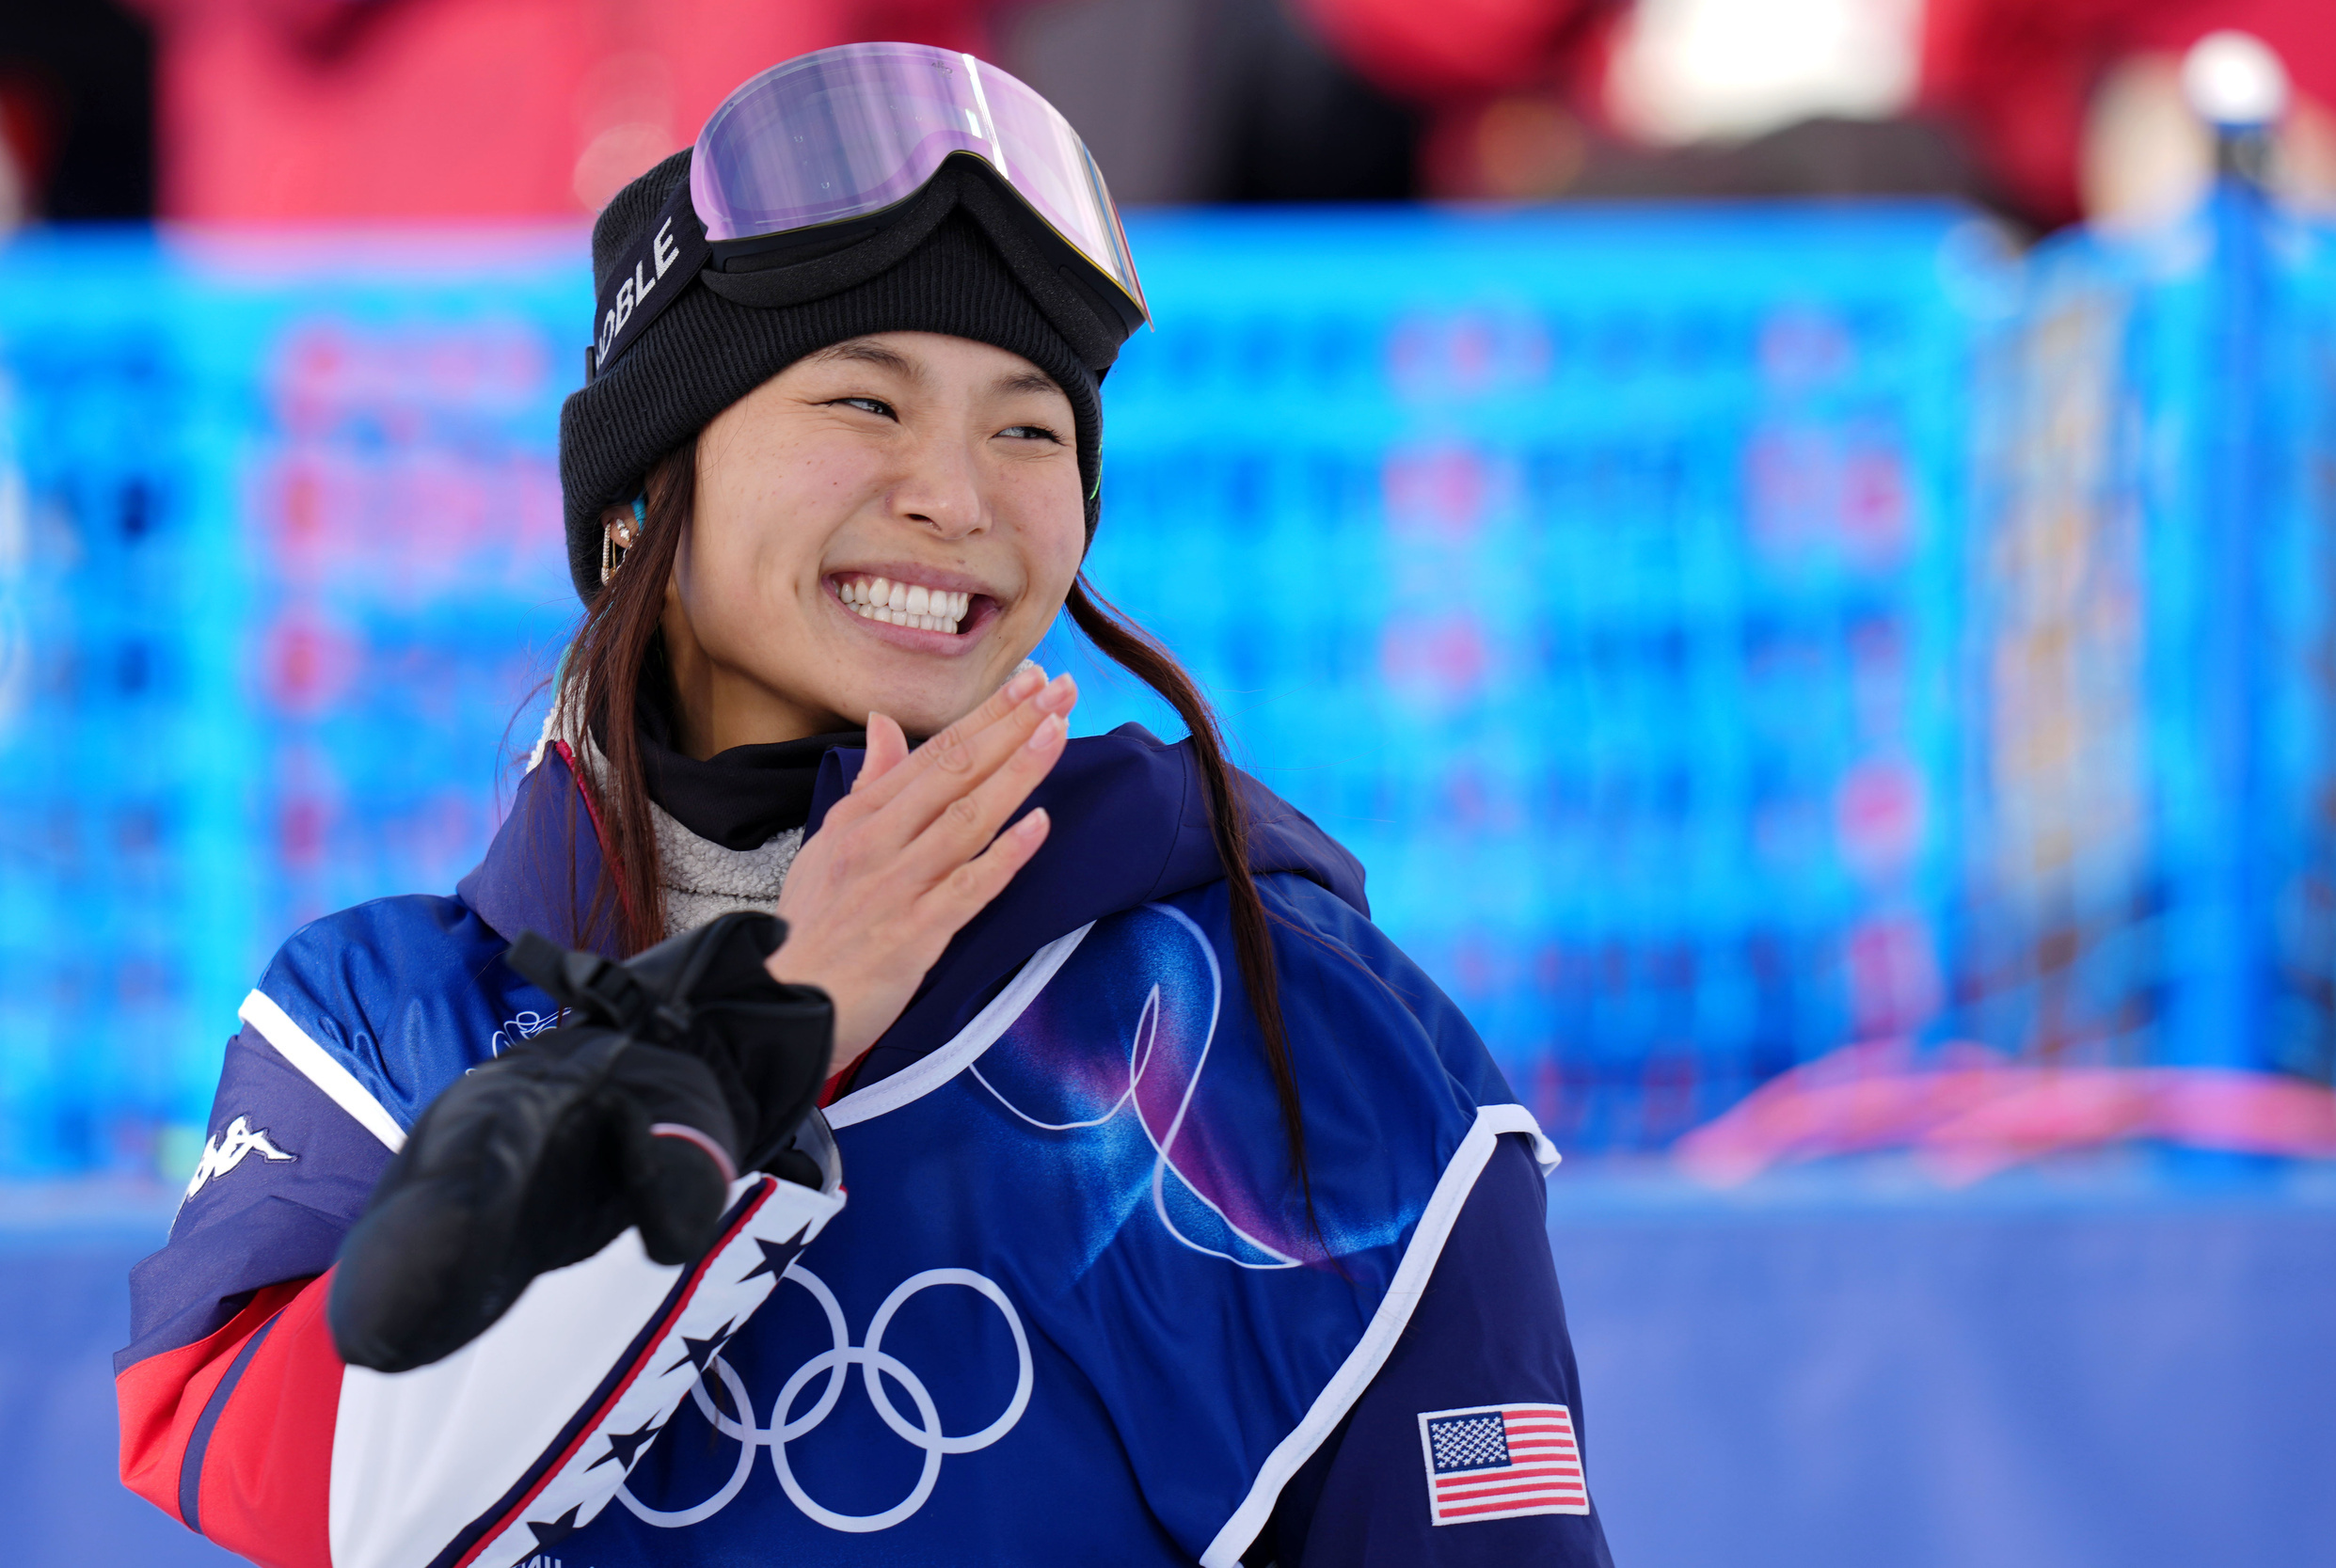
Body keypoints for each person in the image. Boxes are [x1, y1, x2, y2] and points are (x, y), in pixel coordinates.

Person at [114, 42, 1613, 1568]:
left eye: (1028, 428)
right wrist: (756, 1032)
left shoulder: (1284, 1015)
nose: (955, 497)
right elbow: (311, 1496)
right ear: (643, 492)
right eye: (862, 400)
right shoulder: (384, 1020)